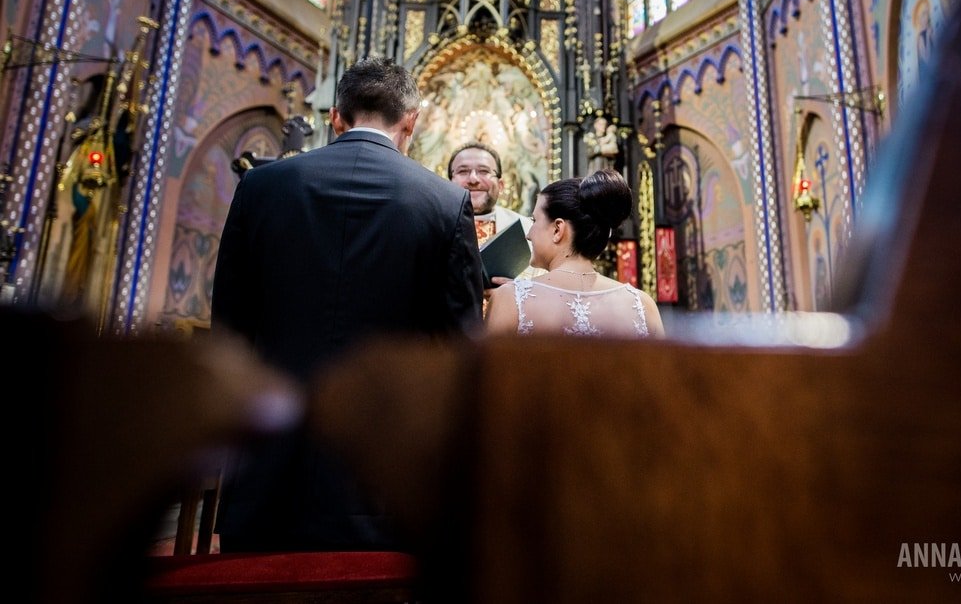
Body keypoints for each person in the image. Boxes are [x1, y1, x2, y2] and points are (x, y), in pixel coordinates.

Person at [210, 56, 484, 552]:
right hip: (384, 473)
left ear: (335, 116)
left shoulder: (261, 187)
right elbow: (458, 348)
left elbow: (229, 328)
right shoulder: (444, 202)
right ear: (411, 122)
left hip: (269, 470)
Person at [484, 168, 665, 338]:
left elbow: (487, 370)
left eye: (534, 220)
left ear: (557, 229)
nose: (528, 234)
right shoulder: (642, 304)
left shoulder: (510, 299)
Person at [447, 141, 541, 291]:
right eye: (463, 171)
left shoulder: (528, 229)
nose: (473, 179)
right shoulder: (431, 229)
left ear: (501, 185)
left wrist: (519, 294)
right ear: (448, 183)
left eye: (484, 171)